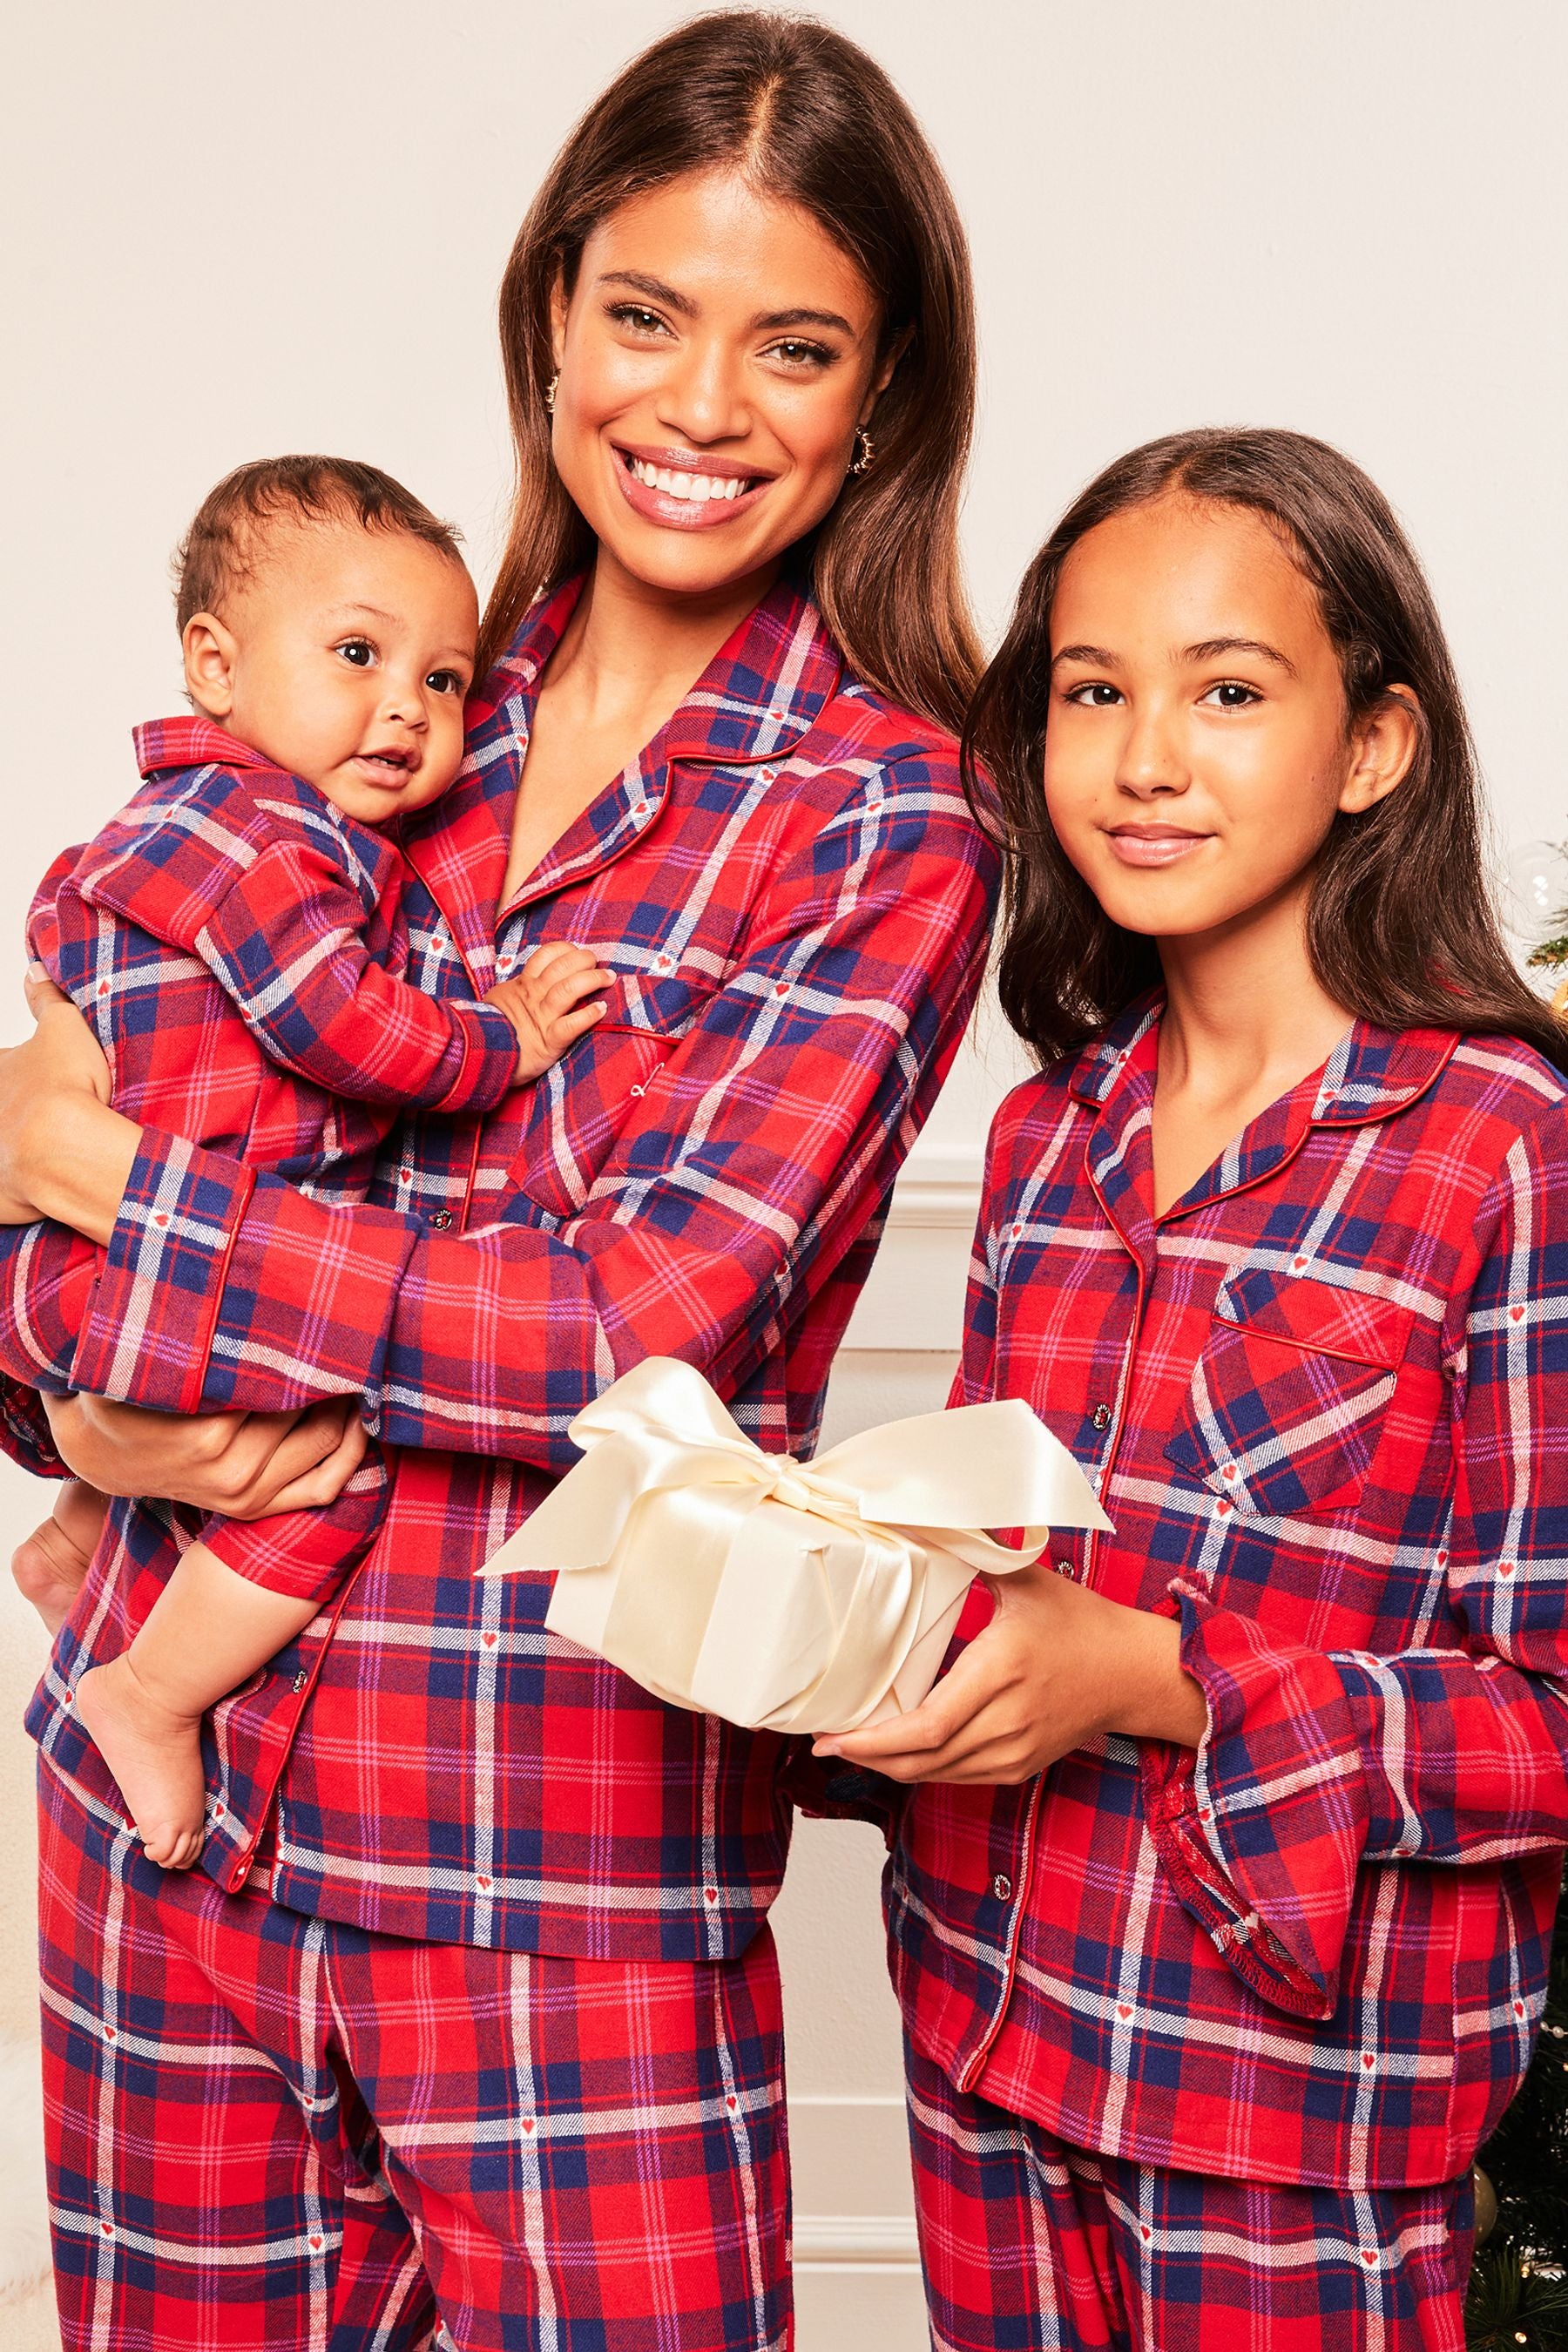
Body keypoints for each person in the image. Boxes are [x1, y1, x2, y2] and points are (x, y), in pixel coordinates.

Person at [0, 14, 995, 2349]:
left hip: (552, 1861)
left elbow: (619, 1330)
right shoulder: (381, 685)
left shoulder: (878, 817)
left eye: (797, 343)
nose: (703, 402)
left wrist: (135, 1205)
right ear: (553, 310)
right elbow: (41, 1195)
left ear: (882, 397)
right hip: (171, 1830)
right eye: (646, 313)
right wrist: (78, 1406)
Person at [817, 428, 1568, 2350]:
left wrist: (1157, 1680)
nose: (1146, 758)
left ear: (1375, 743)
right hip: (984, 2033)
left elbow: (1550, 1720)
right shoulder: (1046, 1138)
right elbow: (1006, 1569)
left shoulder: (1504, 1151)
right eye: (1092, 691)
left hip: (1291, 2116)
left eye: (1229, 691)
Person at [24, 453, 612, 1869]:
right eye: (357, 655)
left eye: (449, 681)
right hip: (144, 1256)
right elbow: (342, 1030)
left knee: (179, 1417)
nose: (407, 709)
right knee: (336, 1476)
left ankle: (73, 1528)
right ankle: (151, 1691)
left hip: (105, 1246)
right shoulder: (259, 838)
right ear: (214, 666)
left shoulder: (185, 819)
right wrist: (504, 1042)